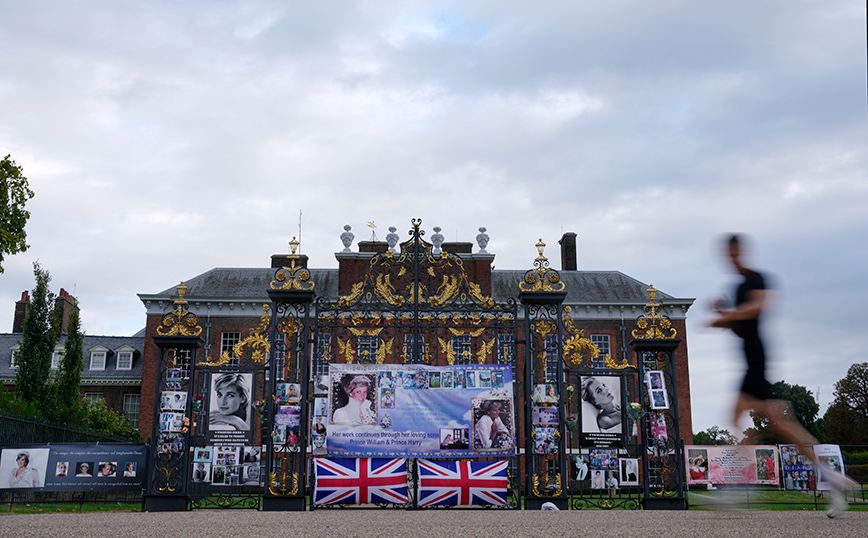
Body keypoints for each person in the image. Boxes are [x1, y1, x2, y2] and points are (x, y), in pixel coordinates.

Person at [709, 233, 854, 517]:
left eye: (734, 254)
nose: (731, 260)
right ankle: (833, 480)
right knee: (765, 422)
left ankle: (740, 490)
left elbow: (759, 306)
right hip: (750, 361)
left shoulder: (759, 280)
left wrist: (727, 315)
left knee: (773, 423)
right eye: (728, 256)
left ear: (742, 252)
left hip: (758, 359)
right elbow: (741, 324)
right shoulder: (738, 288)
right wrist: (725, 315)